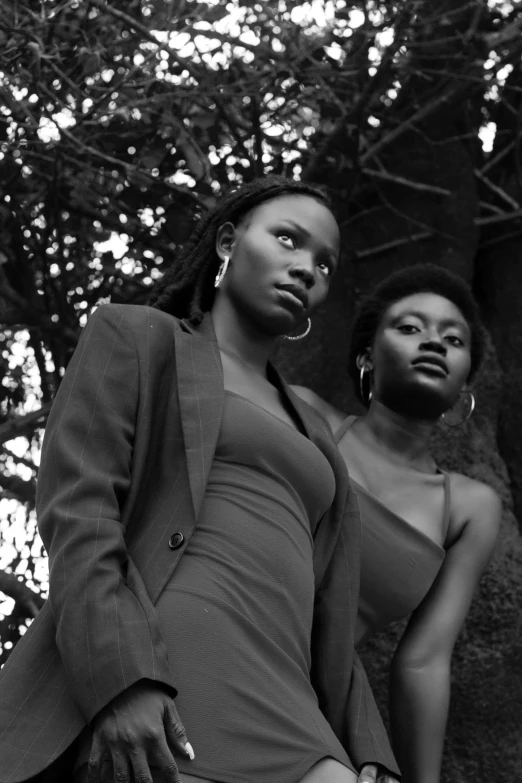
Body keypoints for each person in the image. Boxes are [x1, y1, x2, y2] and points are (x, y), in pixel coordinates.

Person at [0, 176, 399, 783]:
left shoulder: (316, 429)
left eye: (323, 263)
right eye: (287, 239)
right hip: (175, 665)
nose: (305, 268)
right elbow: (80, 514)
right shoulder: (138, 338)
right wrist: (120, 680)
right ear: (227, 243)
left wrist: (372, 753)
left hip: (293, 695)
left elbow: (333, 612)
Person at [293, 263, 501, 783]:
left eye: (453, 339)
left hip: (313, 709)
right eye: (410, 328)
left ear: (464, 383)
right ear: (366, 356)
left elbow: (424, 663)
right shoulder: (301, 414)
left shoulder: (468, 507)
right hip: (214, 643)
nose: (434, 342)